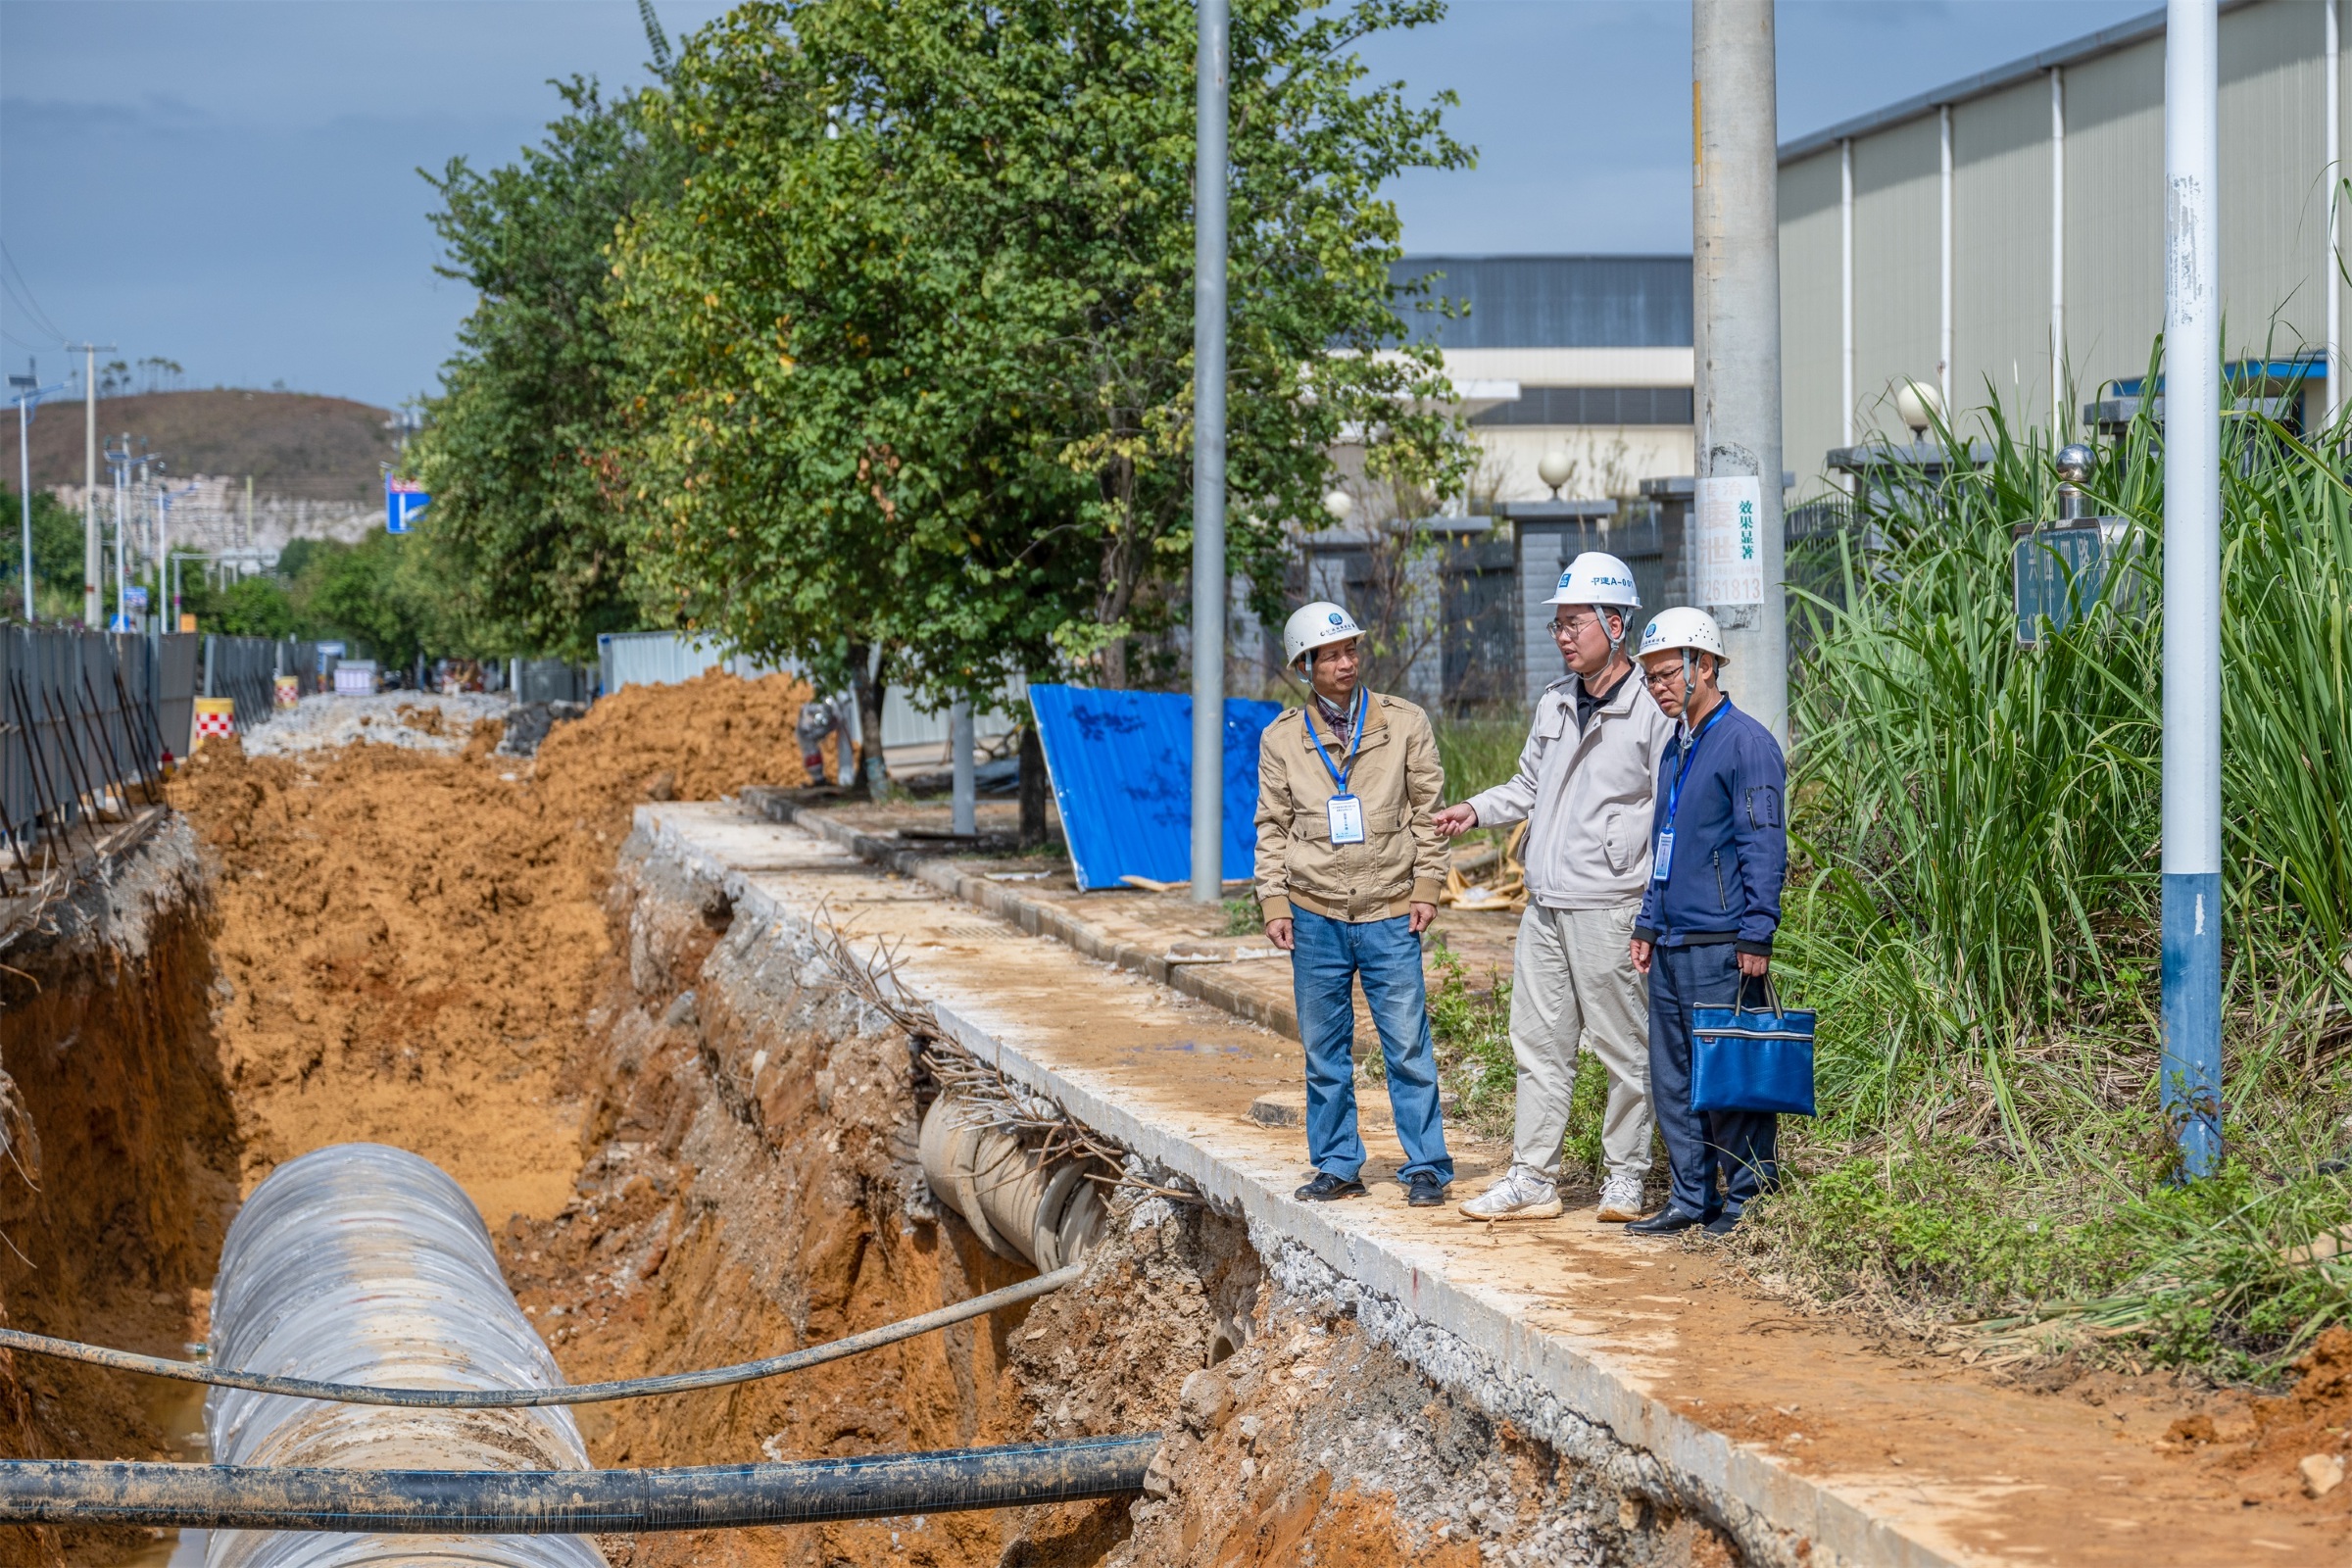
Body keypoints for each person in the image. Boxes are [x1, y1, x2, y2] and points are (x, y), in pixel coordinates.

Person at [1433, 553, 1676, 1225]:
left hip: (1611, 905)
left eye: (1575, 623)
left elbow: (1669, 809)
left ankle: (1626, 1176)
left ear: (1616, 625)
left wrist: (1654, 907)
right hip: (1544, 907)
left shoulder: (1651, 709)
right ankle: (1533, 1177)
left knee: (1624, 1048)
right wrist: (1473, 810)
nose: (1563, 636)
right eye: (1558, 625)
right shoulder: (1555, 701)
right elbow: (1528, 785)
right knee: (1538, 1046)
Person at [1255, 601, 1455, 1208]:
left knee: (1407, 1045)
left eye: (1350, 651)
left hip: (1391, 909)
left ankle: (1426, 1166)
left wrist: (1427, 887)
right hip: (1314, 912)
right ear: (1305, 666)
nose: (1345, 663)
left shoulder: (1404, 723)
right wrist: (1274, 901)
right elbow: (1272, 825)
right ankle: (1338, 1163)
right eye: (1331, 655)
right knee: (1325, 1052)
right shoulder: (1282, 738)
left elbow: (1428, 813)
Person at [1624, 609, 1788, 1238]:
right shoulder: (1678, 745)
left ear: (1707, 666)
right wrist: (1648, 921)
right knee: (1675, 1079)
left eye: (1668, 673)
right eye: (1649, 677)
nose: (1658, 686)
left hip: (1722, 943)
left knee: (1730, 1074)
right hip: (1671, 941)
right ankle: (1691, 1199)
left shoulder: (1745, 744)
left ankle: (1748, 1201)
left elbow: (1763, 844)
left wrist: (1757, 931)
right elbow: (1666, 843)